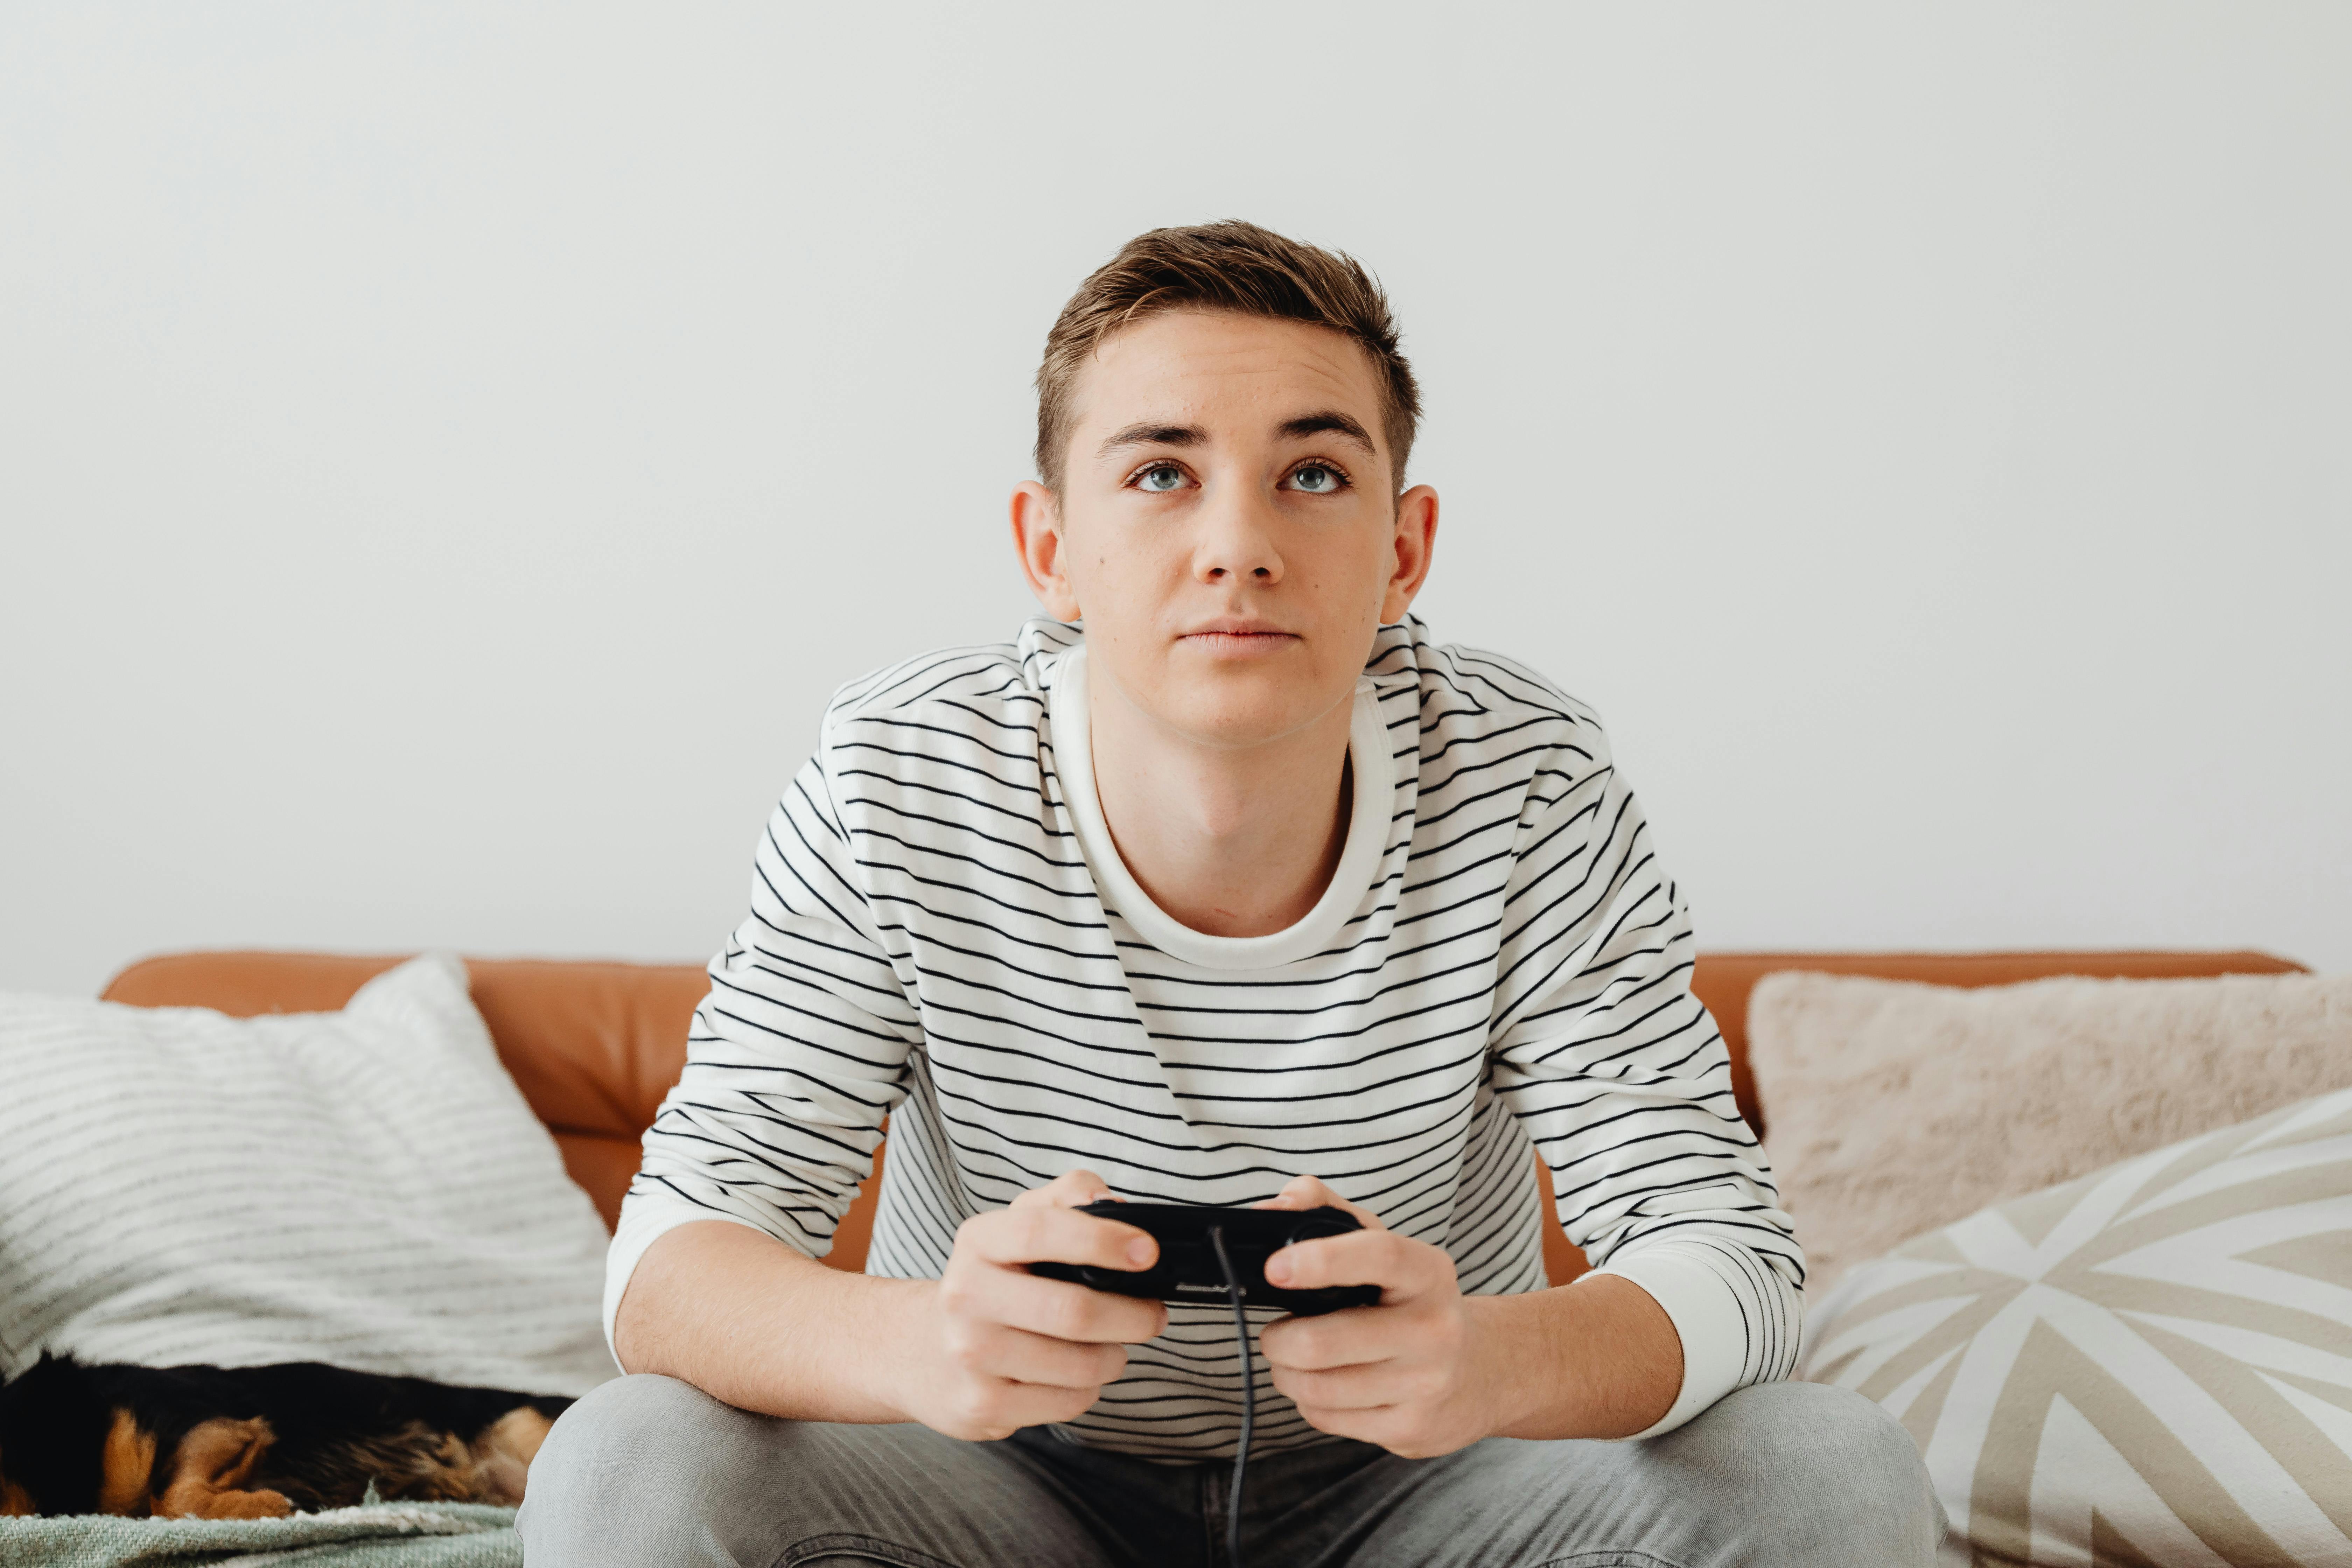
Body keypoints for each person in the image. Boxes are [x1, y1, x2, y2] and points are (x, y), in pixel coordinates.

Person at [519, 221, 1941, 1566]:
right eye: (1159, 474)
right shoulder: (897, 775)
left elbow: (1732, 1259)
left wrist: (1490, 1362)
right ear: (1048, 548)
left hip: (1435, 1483)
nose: (1238, 544)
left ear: (1403, 549)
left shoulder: (1529, 779)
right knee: (625, 1460)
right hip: (990, 1477)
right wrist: (918, 1342)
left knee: (1829, 1469)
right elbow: (666, 1270)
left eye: (1313, 474)